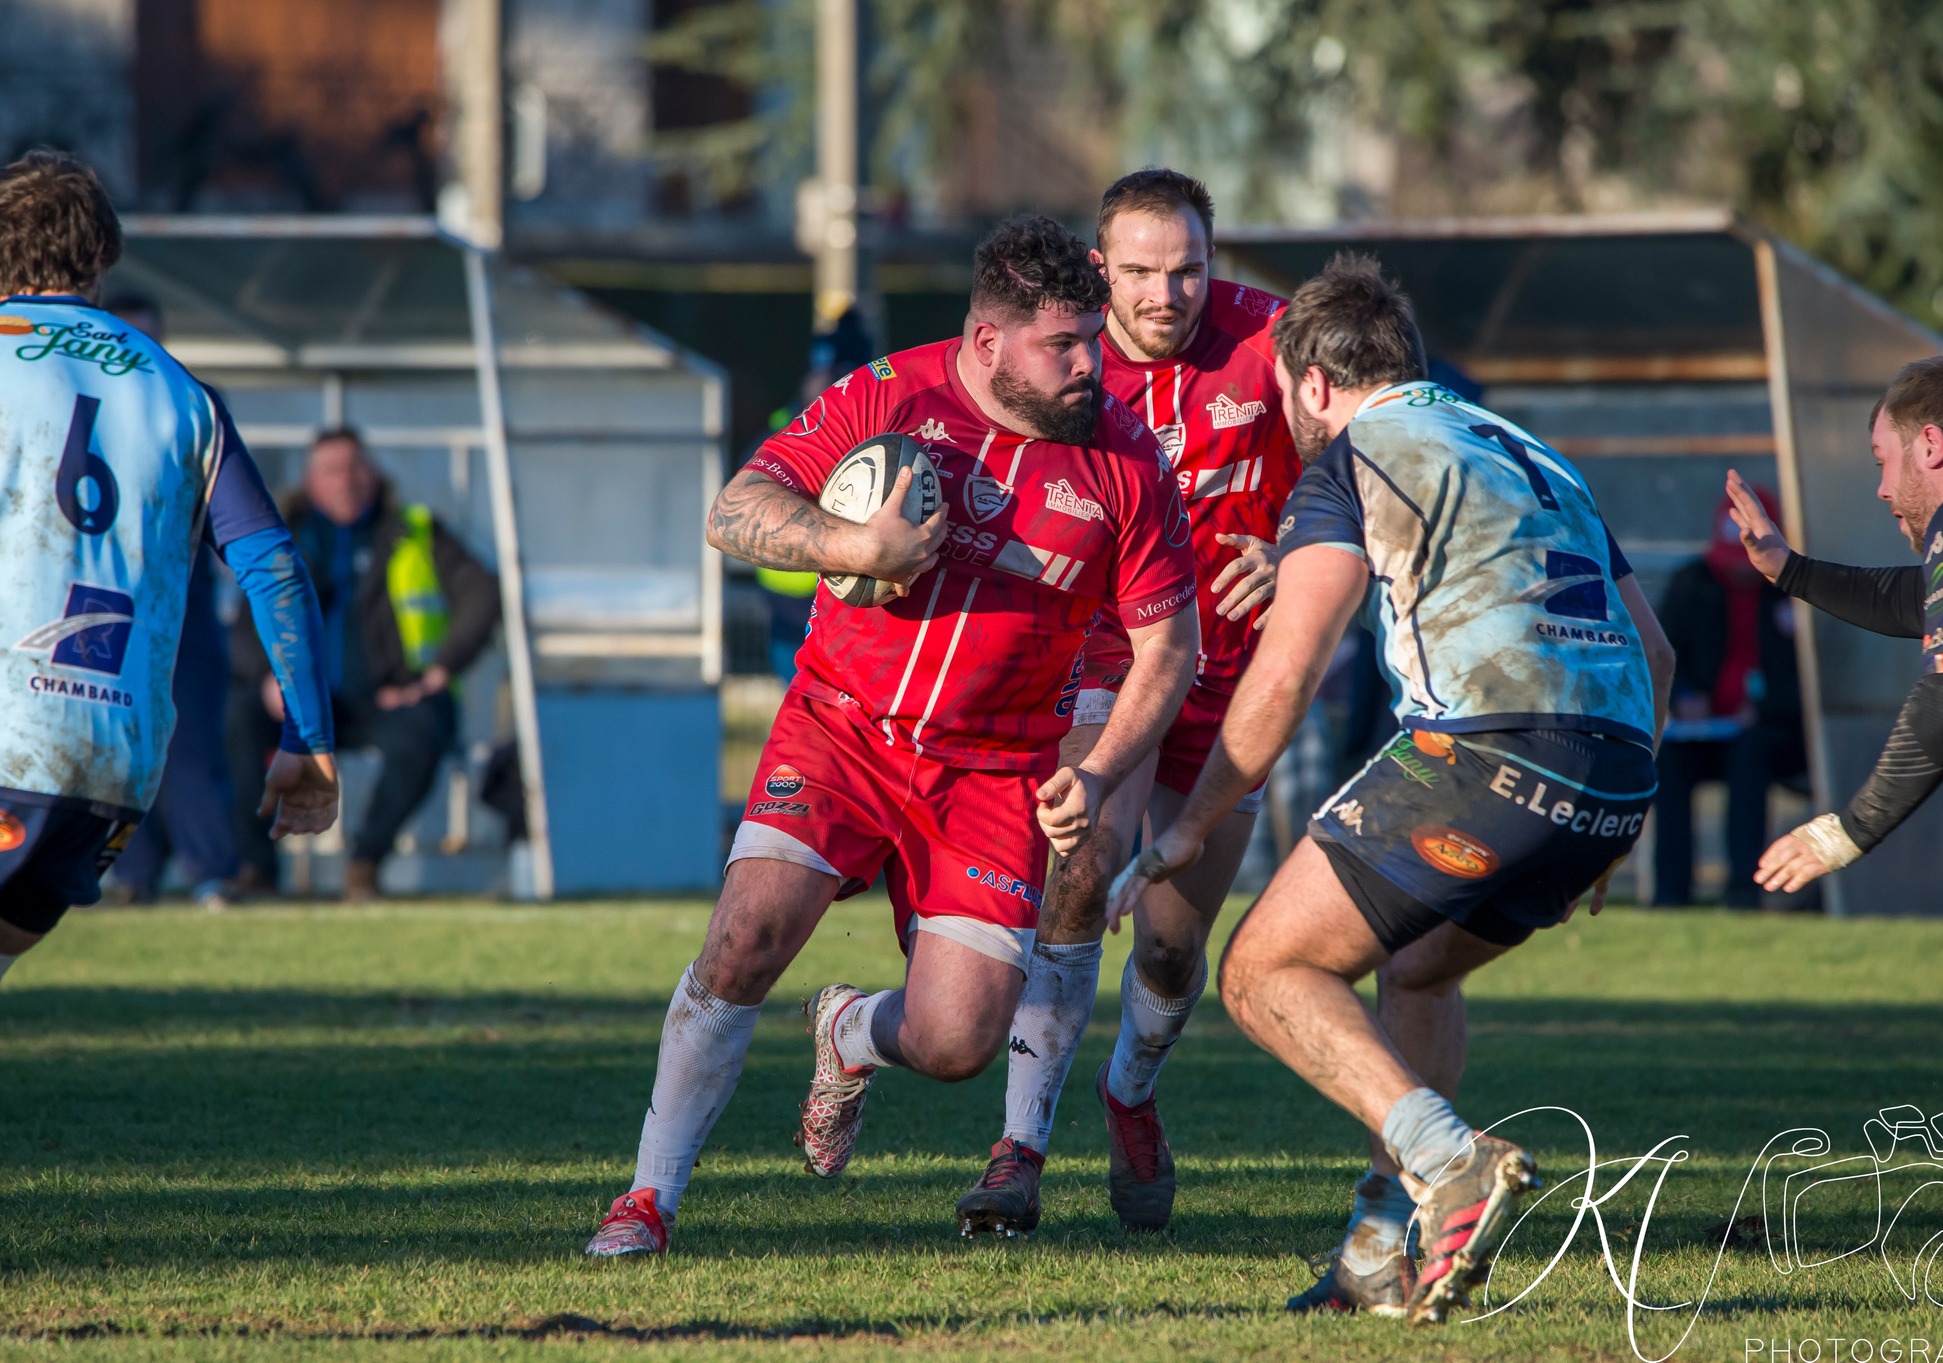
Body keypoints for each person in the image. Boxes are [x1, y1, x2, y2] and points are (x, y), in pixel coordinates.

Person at [581, 214, 1199, 1258]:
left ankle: (848, 1029)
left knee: (956, 1043)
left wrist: (1096, 773)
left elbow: (1169, 649)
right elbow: (734, 510)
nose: (1091, 365)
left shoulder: (1125, 461)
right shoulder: (887, 394)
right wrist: (850, 542)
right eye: (1063, 345)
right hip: (842, 729)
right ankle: (647, 1198)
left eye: (1094, 340)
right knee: (745, 936)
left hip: (995, 768)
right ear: (988, 340)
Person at [1112, 253, 1674, 1322]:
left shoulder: (1351, 458)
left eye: (1285, 395)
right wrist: (1616, 824)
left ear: (1314, 384)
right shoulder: (1533, 453)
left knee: (1261, 971)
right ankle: (1380, 1249)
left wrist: (1192, 823)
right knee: (1415, 970)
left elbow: (1287, 670)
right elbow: (1655, 653)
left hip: (1486, 755)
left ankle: (1450, 1159)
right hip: (1614, 776)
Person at [955, 169, 1300, 1237]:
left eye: (1188, 269)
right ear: (1102, 268)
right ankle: (1018, 1149)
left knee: (1169, 946)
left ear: (1214, 262)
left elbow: (1374, 455)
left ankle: (1130, 1091)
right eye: (1142, 272)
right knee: (1081, 872)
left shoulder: (1274, 339)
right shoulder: (1057, 356)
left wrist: (1297, 545)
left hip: (1227, 681)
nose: (1166, 294)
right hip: (1109, 660)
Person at [0, 150, 337, 982]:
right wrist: (308, 738)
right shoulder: (183, 392)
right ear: (100, 255)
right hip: (111, 766)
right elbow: (274, 567)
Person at [1723, 353, 1943, 998]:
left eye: (1882, 461)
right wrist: (1790, 570)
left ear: (1930, 444)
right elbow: (1923, 600)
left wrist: (1848, 830)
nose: (1881, 489)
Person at [225, 428, 500, 900]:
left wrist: (439, 671)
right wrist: (268, 679)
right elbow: (243, 627)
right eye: (332, 471)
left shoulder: (412, 531)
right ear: (310, 480)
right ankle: (257, 869)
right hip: (301, 702)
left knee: (424, 729)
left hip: (384, 697)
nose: (346, 481)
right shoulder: (281, 539)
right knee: (237, 719)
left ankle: (365, 862)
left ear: (373, 474)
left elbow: (482, 592)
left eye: (356, 468)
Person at [98, 290, 247, 909]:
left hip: (183, 610)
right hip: (104, 606)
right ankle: (130, 876)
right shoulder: (79, 409)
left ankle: (211, 875)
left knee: (190, 746)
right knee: (113, 744)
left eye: (150, 339)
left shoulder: (190, 406)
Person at [1651, 487, 1805, 908]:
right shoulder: (1691, 583)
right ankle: (1670, 895)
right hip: (1704, 731)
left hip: (1772, 733)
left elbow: (1808, 679)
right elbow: (1666, 656)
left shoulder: (1795, 591)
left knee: (1750, 756)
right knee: (1670, 762)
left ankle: (1743, 890)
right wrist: (1684, 697)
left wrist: (1764, 708)